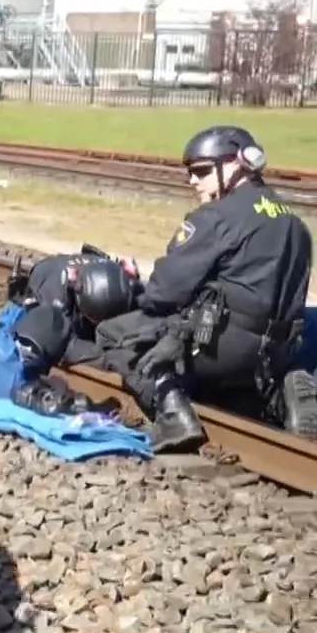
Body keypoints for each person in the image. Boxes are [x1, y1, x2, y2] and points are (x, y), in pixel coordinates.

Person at [92, 126, 316, 450]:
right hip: (279, 351)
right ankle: (288, 387)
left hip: (221, 347)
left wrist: (134, 286)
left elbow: (163, 293)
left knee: (115, 334)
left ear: (238, 164)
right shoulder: (295, 223)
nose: (193, 181)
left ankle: (171, 411)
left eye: (201, 171)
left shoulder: (214, 218)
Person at [6, 248, 141, 370]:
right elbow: (70, 349)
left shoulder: (117, 276)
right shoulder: (55, 300)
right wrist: (111, 355)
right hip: (48, 287)